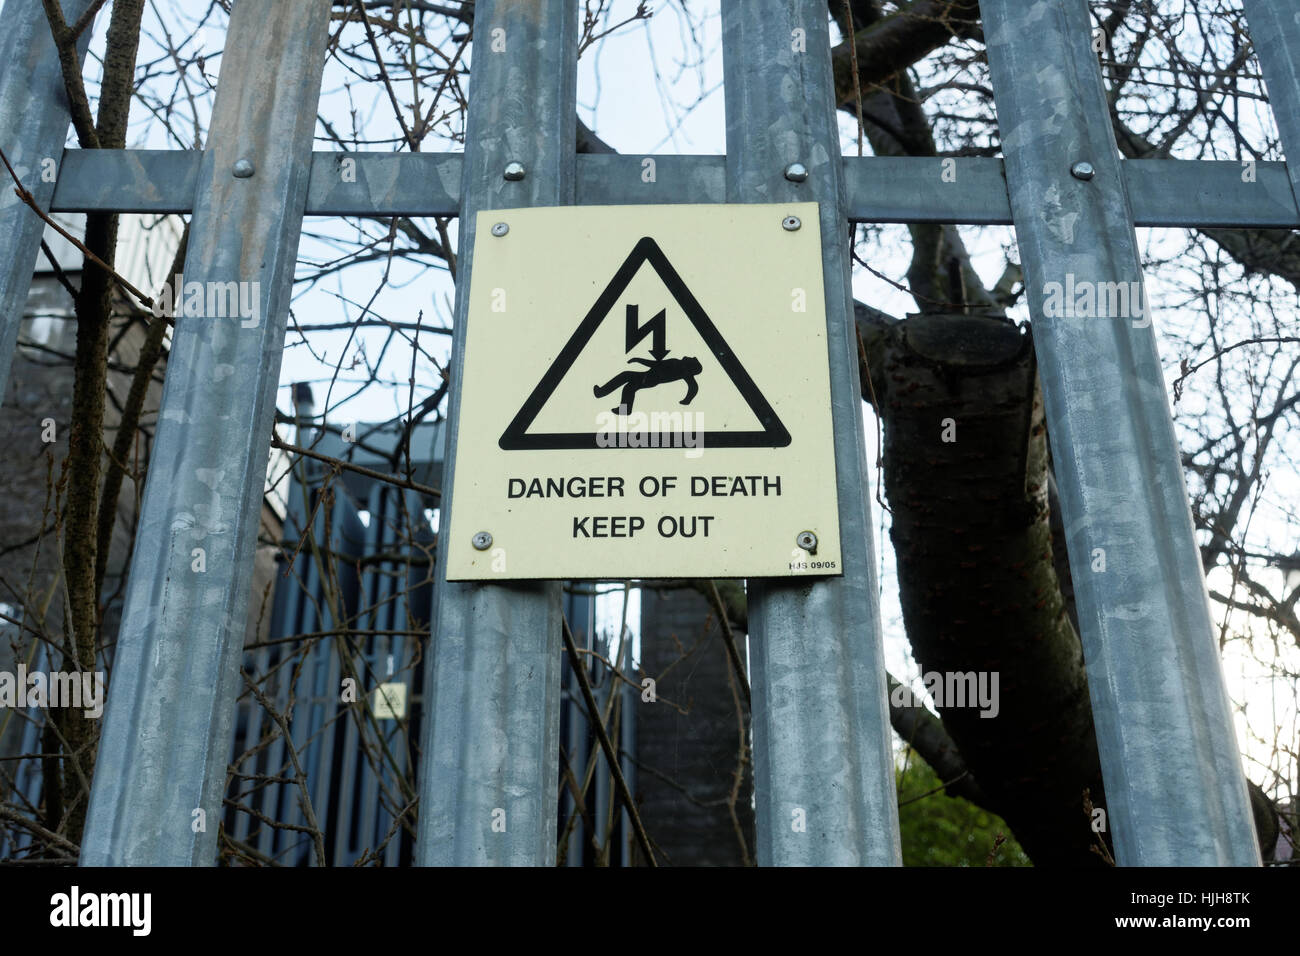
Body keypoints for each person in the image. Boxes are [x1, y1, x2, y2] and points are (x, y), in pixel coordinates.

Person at [594, 355, 702, 414]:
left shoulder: (677, 364)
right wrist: (687, 400)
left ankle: (602, 393)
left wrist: (638, 360)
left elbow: (655, 364)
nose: (691, 357)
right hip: (649, 378)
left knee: (627, 380)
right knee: (628, 386)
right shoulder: (684, 372)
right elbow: (693, 387)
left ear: (690, 365)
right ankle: (624, 409)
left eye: (692, 359)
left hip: (648, 378)